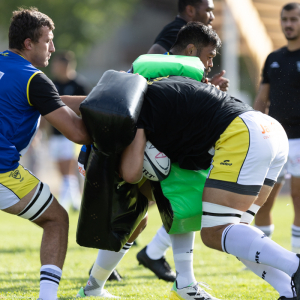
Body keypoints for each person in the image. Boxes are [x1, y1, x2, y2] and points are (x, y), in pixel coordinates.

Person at [120, 70, 300, 300]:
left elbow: (131, 174)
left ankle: (296, 265)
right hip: (270, 130)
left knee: (214, 233)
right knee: (237, 236)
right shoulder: (169, 85)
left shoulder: (142, 107)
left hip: (245, 134)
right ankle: (289, 292)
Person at [76, 22, 223, 300]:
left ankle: (94, 288)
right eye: (210, 56)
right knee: (166, 206)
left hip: (134, 153)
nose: (210, 63)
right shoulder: (161, 71)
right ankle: (183, 285)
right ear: (191, 50)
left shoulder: (160, 69)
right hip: (119, 156)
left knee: (150, 217)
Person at [0, 8, 91, 300]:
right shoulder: (34, 79)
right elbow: (77, 134)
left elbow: (50, 100)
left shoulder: (7, 65)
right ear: (29, 43)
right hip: (2, 170)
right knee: (56, 220)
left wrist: (98, 99)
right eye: (48, 41)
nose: (52, 47)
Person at [254, 2, 300, 253]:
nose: (288, 24)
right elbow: (262, 100)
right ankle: (264, 254)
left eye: (294, 19)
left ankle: (298, 257)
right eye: (285, 20)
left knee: (298, 199)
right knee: (262, 201)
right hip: (276, 140)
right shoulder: (274, 58)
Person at [147, 0, 229, 92]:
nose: (212, 17)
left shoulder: (180, 31)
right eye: (208, 10)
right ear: (190, 10)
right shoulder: (179, 33)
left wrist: (207, 82)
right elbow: (157, 63)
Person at [49, 51, 90, 212]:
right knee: (62, 171)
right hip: (55, 134)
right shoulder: (52, 84)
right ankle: (75, 202)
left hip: (71, 135)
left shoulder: (79, 84)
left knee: (68, 168)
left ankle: (64, 204)